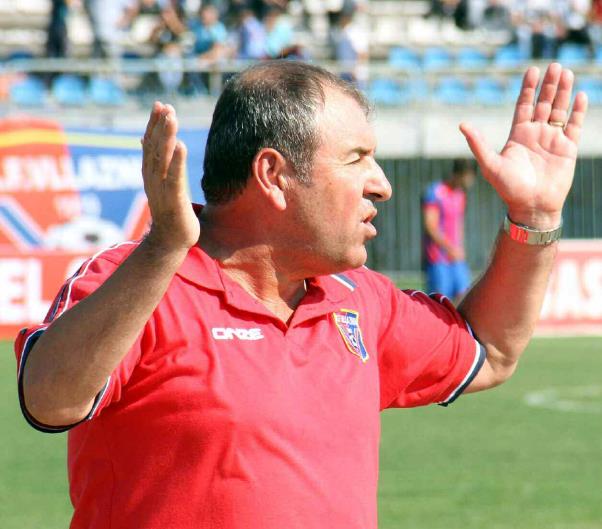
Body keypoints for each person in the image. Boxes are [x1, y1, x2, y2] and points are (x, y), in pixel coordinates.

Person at [15, 60, 586, 529]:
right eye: (357, 159)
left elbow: (490, 349)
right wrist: (163, 250)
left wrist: (534, 216)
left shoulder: (359, 301)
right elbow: (49, 399)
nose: (382, 185)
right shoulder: (139, 280)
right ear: (273, 174)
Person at [422, 157, 476, 302]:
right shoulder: (435, 192)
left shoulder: (460, 195)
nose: (470, 182)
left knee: (465, 298)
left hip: (456, 258)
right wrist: (449, 248)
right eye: (469, 177)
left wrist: (460, 248)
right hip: (438, 258)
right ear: (459, 174)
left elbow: (458, 224)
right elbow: (430, 226)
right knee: (439, 302)